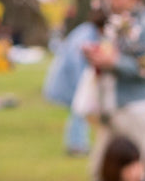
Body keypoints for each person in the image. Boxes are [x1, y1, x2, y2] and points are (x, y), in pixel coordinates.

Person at [84, 0, 145, 178]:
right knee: (101, 172)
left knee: (135, 173)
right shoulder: (118, 23)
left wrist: (115, 62)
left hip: (137, 108)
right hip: (114, 106)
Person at [43, 11, 106, 156]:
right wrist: (83, 85)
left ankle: (78, 143)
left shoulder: (87, 31)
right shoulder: (86, 35)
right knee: (78, 111)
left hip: (71, 79)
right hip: (70, 80)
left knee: (78, 112)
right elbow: (76, 61)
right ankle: (77, 145)